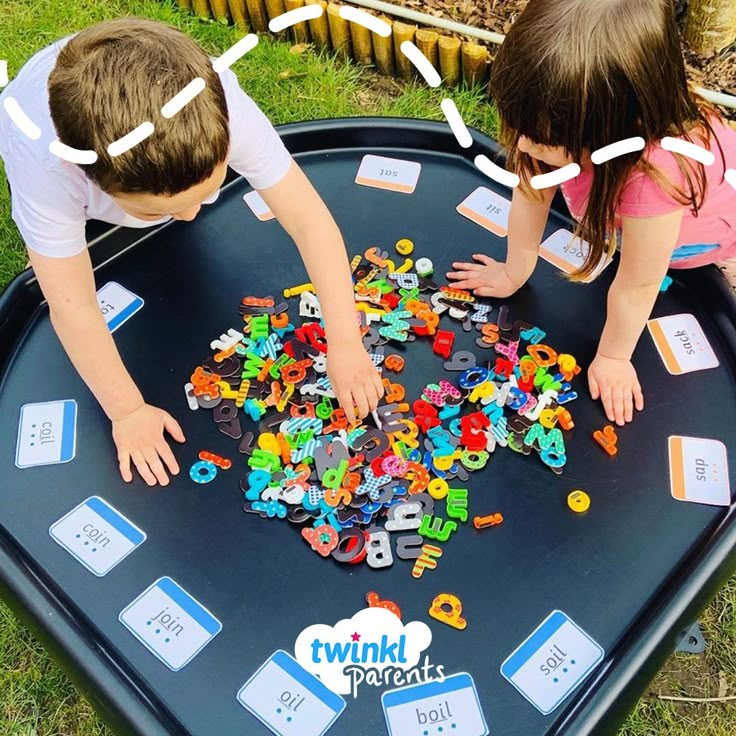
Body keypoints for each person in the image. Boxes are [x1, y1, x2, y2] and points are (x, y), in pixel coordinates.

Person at [0, 18, 383, 486]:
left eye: (208, 193)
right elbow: (72, 304)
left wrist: (344, 339)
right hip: (50, 126)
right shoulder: (47, 166)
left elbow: (309, 220)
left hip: (134, 93)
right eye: (157, 212)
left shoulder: (222, 109)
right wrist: (126, 411)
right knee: (60, 254)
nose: (188, 218)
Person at [448, 0, 736, 426]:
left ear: (617, 128)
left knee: (660, 263)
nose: (523, 147)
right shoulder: (560, 127)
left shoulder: (653, 176)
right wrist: (515, 270)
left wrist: (614, 357)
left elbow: (638, 284)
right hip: (629, 201)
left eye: (541, 139)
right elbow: (532, 191)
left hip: (700, 225)